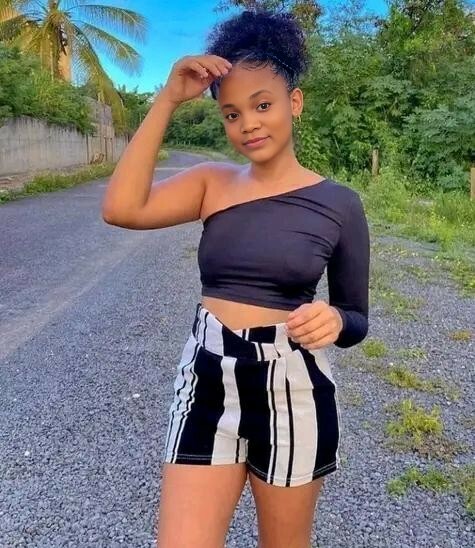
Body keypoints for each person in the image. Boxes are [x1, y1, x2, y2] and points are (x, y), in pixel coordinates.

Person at [102, 7, 370, 548]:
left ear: (295, 103)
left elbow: (356, 317)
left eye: (262, 105)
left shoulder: (339, 204)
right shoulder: (211, 182)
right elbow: (122, 208)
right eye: (231, 113)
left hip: (293, 386)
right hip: (207, 377)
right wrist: (167, 99)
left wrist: (335, 320)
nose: (248, 123)